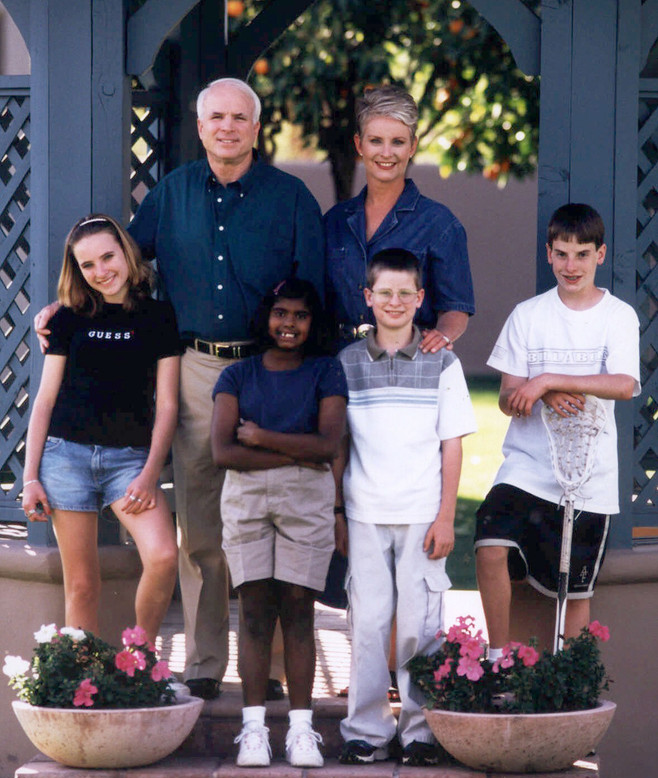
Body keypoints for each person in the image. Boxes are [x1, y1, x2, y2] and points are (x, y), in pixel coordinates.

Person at [35, 78, 324, 700]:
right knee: (200, 524)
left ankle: (272, 669)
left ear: (256, 124)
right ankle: (203, 661)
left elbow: (315, 294)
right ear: (200, 126)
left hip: (272, 370)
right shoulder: (172, 194)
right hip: (194, 368)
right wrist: (60, 311)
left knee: (274, 516)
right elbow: (117, 268)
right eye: (215, 116)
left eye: (239, 117)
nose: (227, 127)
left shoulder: (292, 198)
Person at [474, 203, 640, 659]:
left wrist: (549, 379)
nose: (571, 266)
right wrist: (536, 393)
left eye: (582, 254)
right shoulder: (528, 315)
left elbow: (624, 384)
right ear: (548, 254)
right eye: (562, 254)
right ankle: (497, 660)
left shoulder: (618, 315)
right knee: (489, 542)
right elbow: (509, 397)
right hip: (527, 468)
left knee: (576, 590)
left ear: (600, 255)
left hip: (590, 476)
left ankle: (567, 682)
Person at [334, 248, 476, 766]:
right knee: (369, 623)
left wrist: (445, 517)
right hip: (365, 513)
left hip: (421, 514)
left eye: (404, 294)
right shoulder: (347, 363)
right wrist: (338, 514)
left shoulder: (443, 361)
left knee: (421, 626)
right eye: (383, 293)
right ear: (367, 298)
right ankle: (366, 731)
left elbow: (452, 445)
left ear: (420, 299)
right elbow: (340, 446)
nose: (394, 302)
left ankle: (420, 731)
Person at [22, 214, 181, 646]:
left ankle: (139, 656)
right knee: (82, 587)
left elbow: (167, 405)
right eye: (88, 265)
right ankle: (83, 686)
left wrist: (150, 474)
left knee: (165, 556)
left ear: (127, 254)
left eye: (108, 257)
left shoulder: (158, 316)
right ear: (77, 270)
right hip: (66, 457)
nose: (101, 271)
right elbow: (45, 401)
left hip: (128, 461)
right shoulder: (67, 319)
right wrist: (30, 477)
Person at [211, 278, 347, 768]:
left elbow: (328, 446)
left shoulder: (325, 372)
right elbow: (223, 451)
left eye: (301, 316)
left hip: (307, 501)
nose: (289, 324)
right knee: (253, 612)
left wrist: (261, 437)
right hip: (246, 498)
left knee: (297, 611)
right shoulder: (237, 375)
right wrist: (294, 452)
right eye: (281, 313)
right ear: (266, 316)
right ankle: (253, 731)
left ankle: (301, 731)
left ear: (314, 323)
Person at [324, 84, 474, 354]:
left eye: (398, 142)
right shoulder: (334, 221)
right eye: (376, 141)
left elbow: (455, 308)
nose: (386, 153)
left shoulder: (440, 224)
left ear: (412, 146)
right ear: (359, 144)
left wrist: (441, 336)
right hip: (339, 366)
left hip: (407, 362)